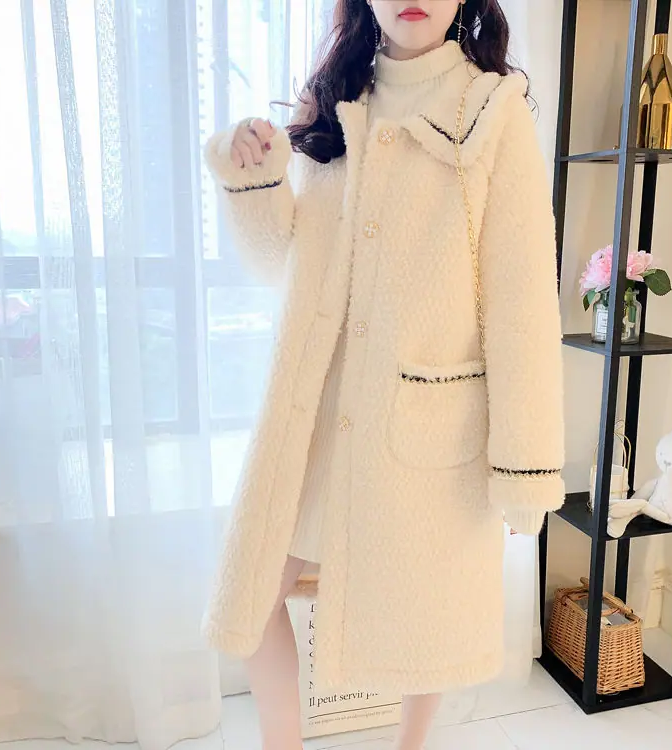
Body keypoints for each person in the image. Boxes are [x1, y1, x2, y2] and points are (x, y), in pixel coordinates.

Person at [202, 1, 565, 749]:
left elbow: (522, 301)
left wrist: (524, 465)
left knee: (426, 613)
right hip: (314, 418)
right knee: (253, 593)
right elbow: (280, 264)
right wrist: (258, 181)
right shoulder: (334, 100)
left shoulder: (491, 110)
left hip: (423, 423)